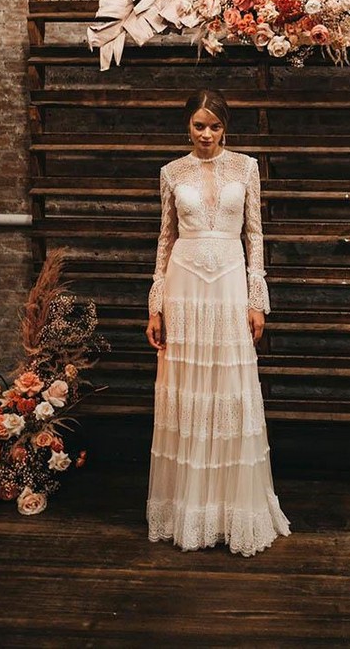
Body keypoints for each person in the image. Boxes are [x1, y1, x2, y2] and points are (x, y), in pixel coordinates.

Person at [144, 88, 291, 555]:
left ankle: (232, 510)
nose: (206, 134)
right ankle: (186, 508)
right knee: (186, 388)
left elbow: (255, 234)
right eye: (198, 126)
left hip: (229, 281)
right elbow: (165, 239)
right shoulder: (171, 173)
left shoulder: (246, 167)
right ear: (187, 126)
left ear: (226, 127)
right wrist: (156, 303)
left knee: (229, 388)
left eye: (214, 126)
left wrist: (256, 298)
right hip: (184, 285)